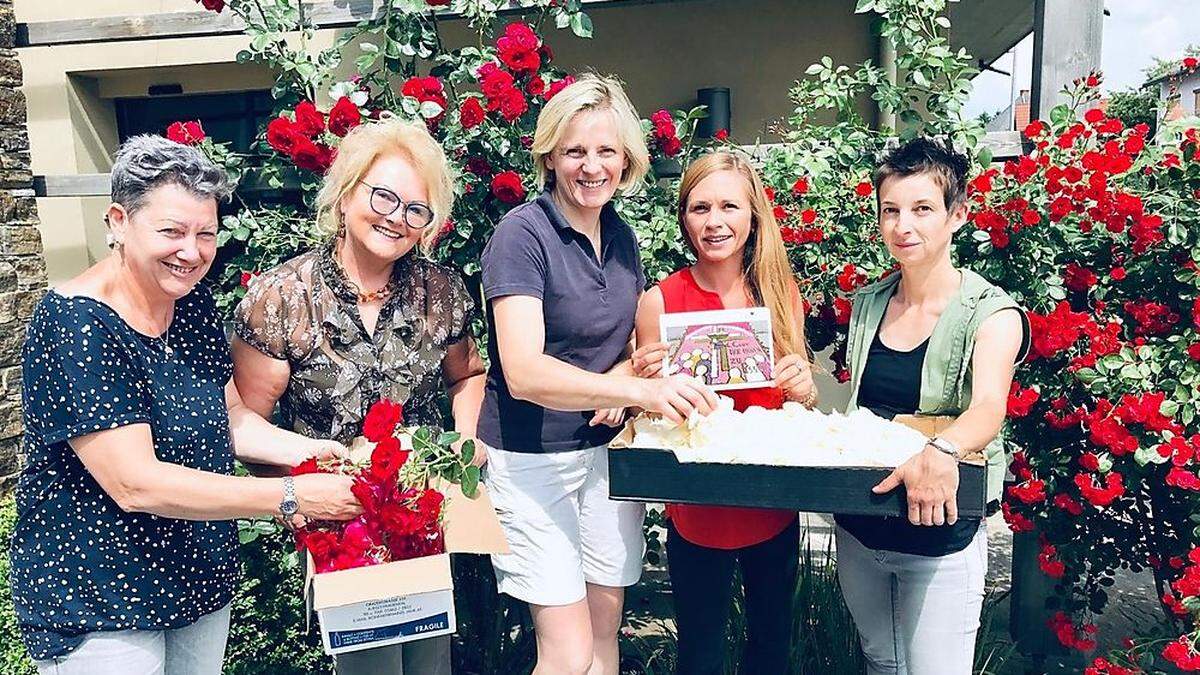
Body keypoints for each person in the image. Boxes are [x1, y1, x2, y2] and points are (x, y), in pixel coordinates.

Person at [11, 134, 362, 675]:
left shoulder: (189, 300)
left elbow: (232, 420)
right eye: (171, 231)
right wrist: (292, 495)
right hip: (101, 594)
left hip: (194, 575)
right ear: (118, 222)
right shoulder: (75, 325)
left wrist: (323, 452)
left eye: (206, 233)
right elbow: (136, 483)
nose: (192, 252)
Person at [479, 74, 720, 675]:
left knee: (605, 632)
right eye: (575, 151)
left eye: (606, 151)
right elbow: (524, 373)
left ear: (628, 159)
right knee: (566, 652)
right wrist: (638, 390)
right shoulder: (520, 236)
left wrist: (629, 376)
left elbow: (617, 352)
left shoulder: (621, 237)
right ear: (550, 156)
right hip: (533, 460)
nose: (592, 166)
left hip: (605, 455)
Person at [232, 116, 482, 675]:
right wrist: (293, 499)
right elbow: (246, 422)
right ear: (346, 194)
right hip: (337, 522)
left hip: (422, 512)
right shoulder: (282, 297)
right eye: (384, 197)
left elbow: (467, 375)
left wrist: (466, 443)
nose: (397, 218)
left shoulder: (440, 292)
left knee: (428, 663)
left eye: (416, 210)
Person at [836, 138, 1030, 675]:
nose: (904, 226)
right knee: (881, 661)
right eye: (891, 211)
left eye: (922, 209)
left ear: (957, 214)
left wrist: (942, 448)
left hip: (938, 537)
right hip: (859, 530)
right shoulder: (869, 304)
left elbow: (990, 408)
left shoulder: (991, 313)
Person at [632, 151, 817, 674]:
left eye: (729, 207)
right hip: (697, 510)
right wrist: (645, 381)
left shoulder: (780, 293)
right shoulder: (660, 301)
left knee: (771, 649)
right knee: (701, 653)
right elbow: (649, 419)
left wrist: (802, 385)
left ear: (753, 215)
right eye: (700, 208)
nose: (715, 222)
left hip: (772, 506)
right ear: (684, 218)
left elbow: (797, 402)